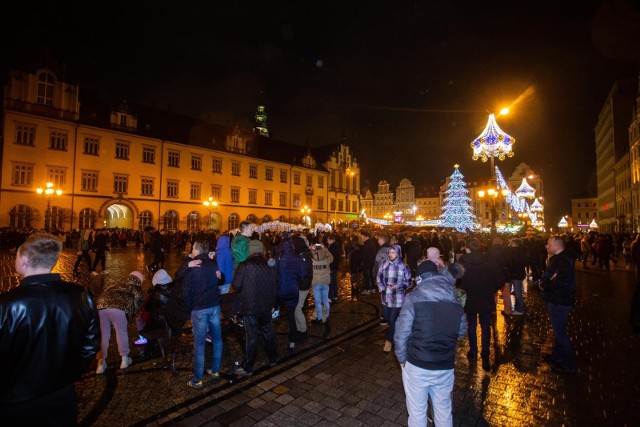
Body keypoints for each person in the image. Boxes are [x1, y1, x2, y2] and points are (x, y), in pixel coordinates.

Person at [0, 233, 99, 426]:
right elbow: (90, 346)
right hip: (61, 393)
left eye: (17, 255)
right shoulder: (80, 295)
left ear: (25, 260)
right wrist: (67, 373)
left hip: (14, 399)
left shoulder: (6, 303)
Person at [394, 259, 466, 427]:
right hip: (445, 364)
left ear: (419, 278)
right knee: (443, 409)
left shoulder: (413, 297)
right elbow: (461, 331)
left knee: (417, 412)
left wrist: (402, 360)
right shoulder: (453, 297)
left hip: (417, 364)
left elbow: (401, 333)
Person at [178, 240, 225, 388]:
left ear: (197, 250)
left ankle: (197, 379)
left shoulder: (193, 266)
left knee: (199, 344)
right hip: (214, 306)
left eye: (193, 248)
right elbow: (219, 280)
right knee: (217, 339)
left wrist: (190, 308)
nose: (192, 250)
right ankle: (215, 370)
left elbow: (184, 289)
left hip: (199, 308)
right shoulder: (212, 263)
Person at [230, 240, 279, 378]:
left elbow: (237, 285)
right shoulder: (270, 264)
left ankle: (248, 367)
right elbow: (276, 286)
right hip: (266, 306)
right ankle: (273, 358)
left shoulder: (245, 265)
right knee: (268, 332)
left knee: (251, 337)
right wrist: (273, 304)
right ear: (261, 250)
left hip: (250, 308)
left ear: (249, 251)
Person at [459, 238, 501, 371]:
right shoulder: (489, 261)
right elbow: (499, 279)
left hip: (470, 297)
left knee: (471, 325)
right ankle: (485, 353)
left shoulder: (463, 261)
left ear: (468, 247)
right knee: (485, 326)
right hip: (485, 297)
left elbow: (457, 279)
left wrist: (463, 288)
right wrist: (491, 288)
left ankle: (474, 350)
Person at [540, 235, 577, 374]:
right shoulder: (559, 258)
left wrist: (545, 285)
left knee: (560, 333)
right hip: (556, 299)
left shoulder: (562, 260)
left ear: (557, 245)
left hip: (560, 300)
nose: (546, 246)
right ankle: (557, 356)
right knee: (558, 331)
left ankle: (569, 365)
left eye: (549, 243)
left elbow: (561, 281)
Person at [95, 271, 145, 374]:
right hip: (119, 307)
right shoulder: (137, 289)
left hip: (101, 306)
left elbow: (105, 293)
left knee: (104, 335)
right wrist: (129, 320)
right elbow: (136, 307)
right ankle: (124, 359)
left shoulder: (118, 284)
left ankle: (101, 362)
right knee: (121, 332)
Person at [377, 246, 411, 352]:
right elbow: (379, 277)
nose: (391, 254)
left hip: (398, 298)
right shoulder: (384, 264)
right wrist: (382, 288)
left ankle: (389, 341)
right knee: (387, 318)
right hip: (385, 297)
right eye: (390, 252)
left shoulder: (404, 266)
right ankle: (400, 331)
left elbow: (408, 282)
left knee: (392, 319)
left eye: (393, 252)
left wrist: (398, 286)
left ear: (398, 253)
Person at [276, 233, 305, 352]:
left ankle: (271, 342)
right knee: (291, 317)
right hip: (293, 291)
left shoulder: (278, 258)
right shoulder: (297, 258)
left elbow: (274, 274)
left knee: (273, 315)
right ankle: (292, 341)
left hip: (281, 291)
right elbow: (302, 275)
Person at [311, 241, 334, 324]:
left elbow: (308, 256)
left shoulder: (312, 260)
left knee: (317, 301)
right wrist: (325, 249)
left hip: (316, 282)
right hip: (325, 282)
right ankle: (327, 315)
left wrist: (312, 250)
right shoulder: (326, 260)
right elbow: (331, 257)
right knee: (325, 300)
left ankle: (320, 317)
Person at [509, 238, 528, 315]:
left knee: (517, 292)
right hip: (518, 273)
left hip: (515, 274)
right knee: (517, 291)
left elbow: (511, 262)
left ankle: (520, 309)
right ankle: (519, 307)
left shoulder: (514, 252)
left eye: (512, 243)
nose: (510, 244)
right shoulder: (522, 251)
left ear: (516, 244)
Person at [327, 234, 341, 303]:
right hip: (334, 266)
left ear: (331, 240)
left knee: (331, 282)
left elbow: (330, 257)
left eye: (328, 240)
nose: (327, 242)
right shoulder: (336, 245)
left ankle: (332, 296)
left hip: (332, 266)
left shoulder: (333, 247)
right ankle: (335, 296)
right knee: (334, 281)